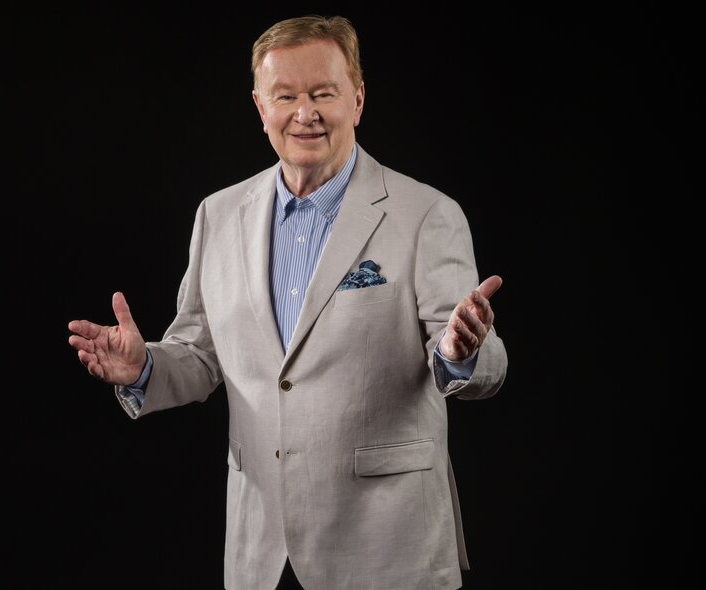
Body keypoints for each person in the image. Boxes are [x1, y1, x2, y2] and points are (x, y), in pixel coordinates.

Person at [67, 14, 507, 590]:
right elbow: (199, 357)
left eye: (323, 93)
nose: (306, 113)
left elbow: (489, 366)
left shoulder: (426, 215)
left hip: (385, 548)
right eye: (286, 96)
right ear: (260, 107)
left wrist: (460, 351)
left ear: (357, 99)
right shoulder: (218, 216)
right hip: (261, 551)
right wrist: (144, 365)